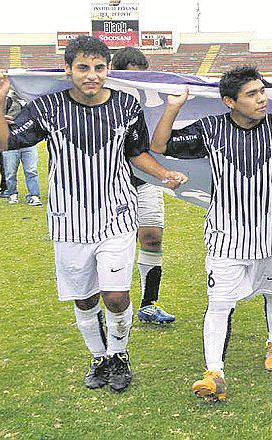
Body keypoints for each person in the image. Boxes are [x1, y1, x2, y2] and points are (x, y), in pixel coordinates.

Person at [0, 36, 187, 393]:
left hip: (117, 216)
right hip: (69, 220)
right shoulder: (48, 107)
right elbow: (2, 143)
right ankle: (98, 356)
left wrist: (163, 174)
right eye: (83, 68)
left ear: (108, 70)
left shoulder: (126, 106)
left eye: (99, 68)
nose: (91, 76)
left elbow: (137, 152)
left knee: (115, 295)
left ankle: (119, 354)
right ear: (68, 69)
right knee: (85, 297)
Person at [151, 66, 272, 402]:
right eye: (252, 94)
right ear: (229, 101)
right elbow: (161, 144)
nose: (261, 99)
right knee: (219, 303)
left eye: (262, 91)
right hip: (226, 235)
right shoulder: (210, 129)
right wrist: (173, 107)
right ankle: (214, 370)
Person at [111, 46, 175, 324]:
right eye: (129, 78)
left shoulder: (154, 99)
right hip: (110, 183)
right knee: (115, 244)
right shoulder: (104, 100)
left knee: (152, 237)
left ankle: (149, 304)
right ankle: (113, 301)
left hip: (146, 179)